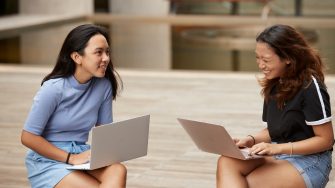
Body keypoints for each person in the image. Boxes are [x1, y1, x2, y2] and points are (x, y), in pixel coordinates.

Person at [216, 24, 333, 188]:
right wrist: (250, 140)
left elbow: (326, 140)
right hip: (279, 153)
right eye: (257, 58)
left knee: (248, 183)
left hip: (310, 160)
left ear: (288, 58)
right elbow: (273, 130)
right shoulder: (274, 83)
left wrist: (276, 149)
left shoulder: (311, 87)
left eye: (266, 60)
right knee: (227, 161)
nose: (260, 65)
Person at [21, 24, 126, 188]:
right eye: (99, 52)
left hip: (81, 153)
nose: (106, 58)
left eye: (107, 52)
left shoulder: (103, 85)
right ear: (77, 57)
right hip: (48, 159)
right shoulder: (53, 88)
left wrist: (114, 149)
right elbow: (28, 137)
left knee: (118, 170)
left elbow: (105, 131)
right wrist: (70, 158)